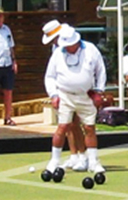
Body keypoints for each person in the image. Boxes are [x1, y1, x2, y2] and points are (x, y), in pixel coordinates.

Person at [44, 25, 107, 174]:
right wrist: (54, 95)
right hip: (65, 95)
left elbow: (101, 70)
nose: (66, 47)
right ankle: (54, 161)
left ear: (76, 41)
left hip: (86, 95)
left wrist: (99, 91)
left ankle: (93, 162)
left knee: (89, 128)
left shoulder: (91, 49)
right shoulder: (58, 53)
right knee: (62, 127)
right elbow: (50, 76)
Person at [42, 20, 87, 171]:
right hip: (63, 89)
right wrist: (55, 93)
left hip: (78, 89)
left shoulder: (71, 42)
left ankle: (83, 156)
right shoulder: (57, 47)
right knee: (69, 124)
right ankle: (74, 156)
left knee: (75, 123)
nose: (53, 42)